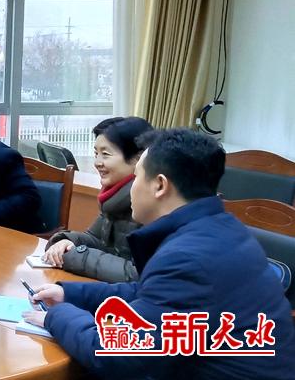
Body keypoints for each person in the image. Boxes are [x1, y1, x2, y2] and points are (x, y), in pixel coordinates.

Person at [24, 129, 295, 379]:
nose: (132, 187)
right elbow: (148, 293)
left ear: (160, 185)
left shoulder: (189, 256)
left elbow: (116, 354)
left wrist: (56, 316)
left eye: (136, 177)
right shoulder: (221, 228)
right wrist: (71, 294)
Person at [42, 117, 153, 282]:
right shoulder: (114, 196)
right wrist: (65, 241)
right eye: (96, 154)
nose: (97, 162)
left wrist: (77, 255)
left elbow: (139, 274)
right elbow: (95, 239)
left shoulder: (151, 204)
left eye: (105, 155)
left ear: (138, 158)